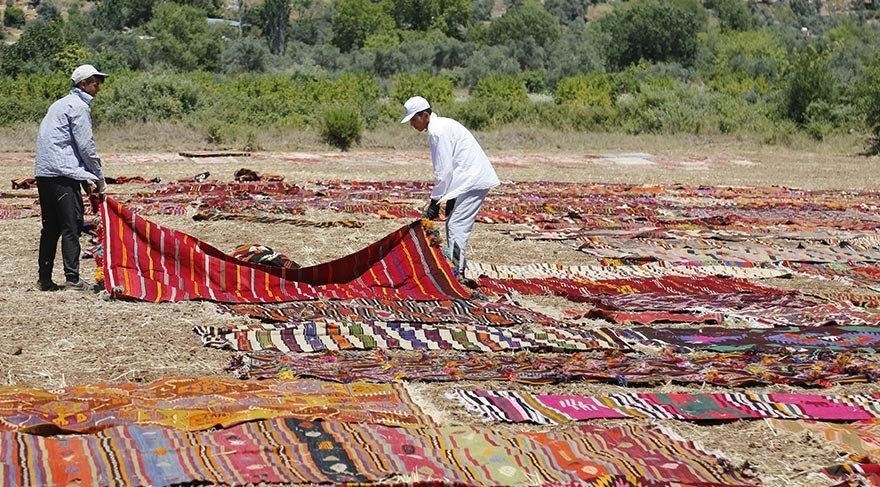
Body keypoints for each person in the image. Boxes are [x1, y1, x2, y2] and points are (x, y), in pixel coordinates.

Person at [401, 96, 500, 282]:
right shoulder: (441, 127)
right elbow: (453, 165)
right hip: (468, 179)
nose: (412, 125)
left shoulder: (438, 132)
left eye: (413, 119)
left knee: (456, 225)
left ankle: (457, 272)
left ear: (424, 115)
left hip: (473, 180)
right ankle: (456, 267)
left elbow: (443, 171)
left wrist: (434, 201)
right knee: (453, 223)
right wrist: (450, 196)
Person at [34, 64, 109, 291]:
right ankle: (73, 279)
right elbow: (85, 147)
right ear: (82, 84)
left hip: (46, 172)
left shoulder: (60, 103)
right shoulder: (78, 106)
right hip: (61, 173)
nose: (98, 86)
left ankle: (45, 279)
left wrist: (85, 179)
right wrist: (99, 179)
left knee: (51, 227)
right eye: (95, 82)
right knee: (71, 226)